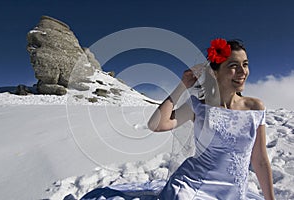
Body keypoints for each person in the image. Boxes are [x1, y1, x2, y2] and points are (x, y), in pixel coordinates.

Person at [80, 38, 275, 200]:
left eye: (245, 64)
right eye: (233, 66)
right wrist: (182, 86)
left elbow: (260, 160)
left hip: (233, 193)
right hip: (193, 188)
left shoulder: (255, 108)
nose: (242, 72)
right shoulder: (198, 106)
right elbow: (156, 124)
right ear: (215, 73)